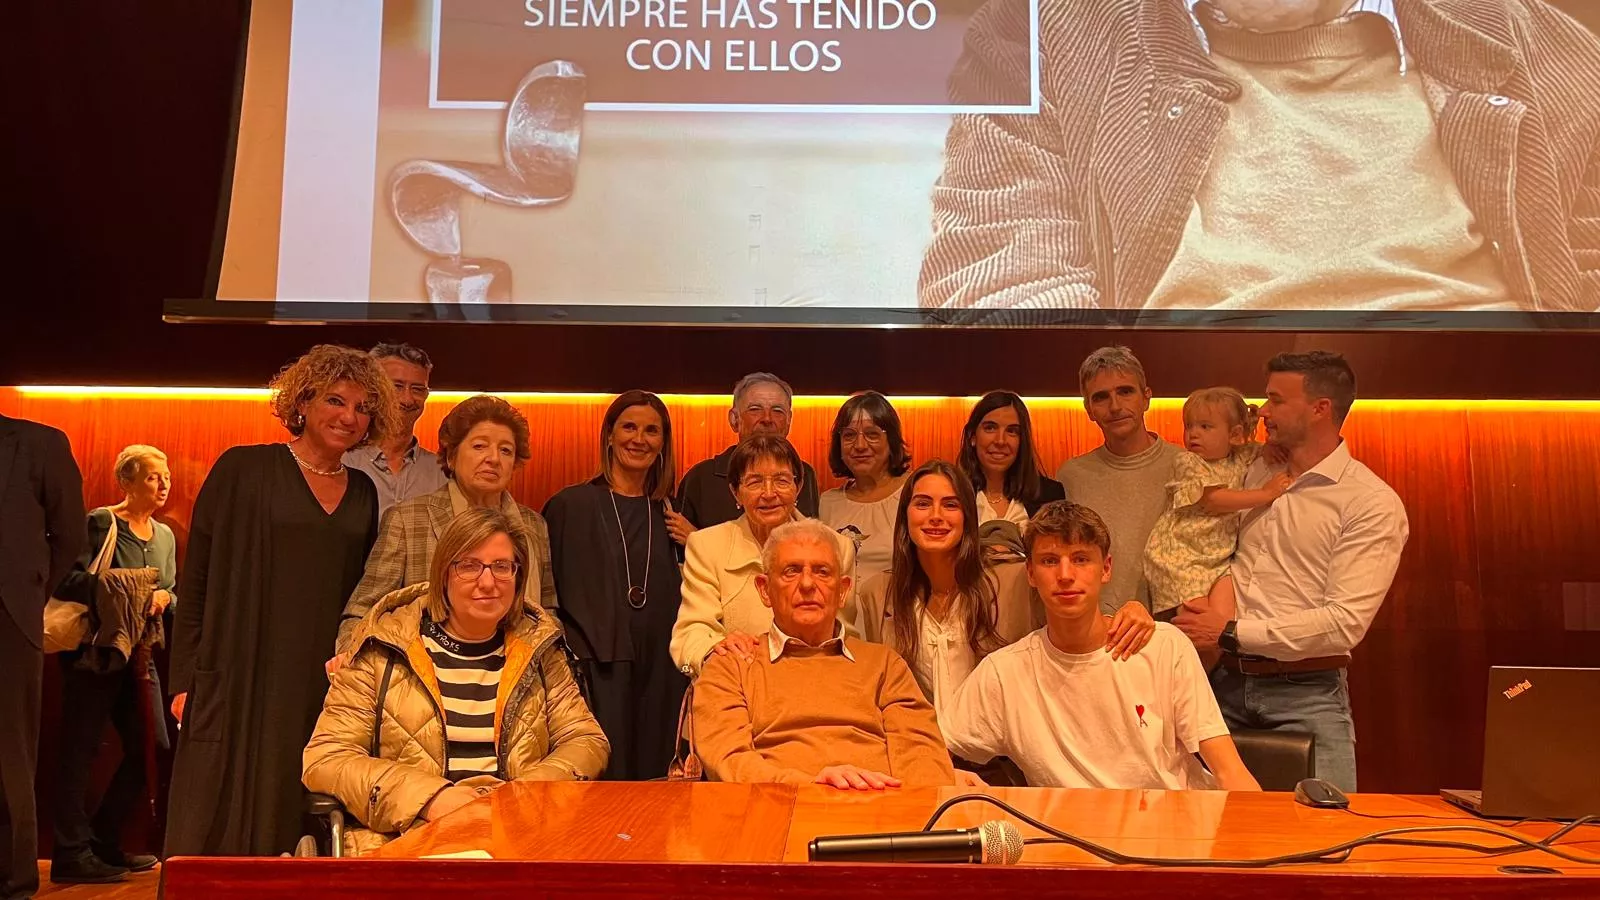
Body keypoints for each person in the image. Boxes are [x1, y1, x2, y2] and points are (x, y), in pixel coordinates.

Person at [920, 0, 1600, 312]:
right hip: (1185, 436)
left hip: (1491, 432)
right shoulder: (1037, 32)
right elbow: (1001, 287)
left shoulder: (1545, 42)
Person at [165, 344, 398, 857]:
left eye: (363, 408)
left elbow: (361, 591)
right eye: (336, 400)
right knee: (217, 815)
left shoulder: (363, 490)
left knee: (303, 810)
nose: (349, 417)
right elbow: (195, 578)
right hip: (237, 674)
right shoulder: (243, 468)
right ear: (304, 401)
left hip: (318, 680)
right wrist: (184, 680)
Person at [303, 508, 608, 856]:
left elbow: (586, 741)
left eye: (501, 566)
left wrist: (520, 797)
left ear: (518, 576)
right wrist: (430, 798)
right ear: (444, 573)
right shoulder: (382, 647)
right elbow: (326, 758)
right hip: (405, 841)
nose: (488, 582)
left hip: (521, 840)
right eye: (470, 566)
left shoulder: (541, 648)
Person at [1176, 351, 1408, 792]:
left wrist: (1228, 631)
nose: (1263, 411)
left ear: (1320, 408)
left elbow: (1344, 623)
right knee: (1202, 828)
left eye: (1276, 400)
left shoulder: (1369, 502)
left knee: (1324, 829)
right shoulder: (1251, 470)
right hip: (1216, 686)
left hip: (1308, 694)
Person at [943, 502, 1260, 791]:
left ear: (1106, 568)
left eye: (1080, 559)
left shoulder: (1164, 647)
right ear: (1031, 574)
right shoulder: (1004, 673)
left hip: (1176, 823)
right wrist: (948, 775)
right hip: (1069, 831)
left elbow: (1228, 770)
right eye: (1050, 561)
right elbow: (933, 746)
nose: (1065, 575)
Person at [855, 460, 1154, 724]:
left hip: (1003, 755)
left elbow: (1075, 616)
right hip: (918, 751)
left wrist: (1126, 612)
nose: (936, 515)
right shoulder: (877, 594)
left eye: (950, 505)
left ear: (968, 517)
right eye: (922, 504)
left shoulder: (1012, 579)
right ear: (905, 515)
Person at [692, 518, 957, 788]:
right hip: (777, 808)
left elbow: (923, 755)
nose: (807, 583)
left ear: (842, 591)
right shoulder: (732, 665)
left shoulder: (884, 664)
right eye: (791, 571)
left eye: (822, 572)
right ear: (765, 590)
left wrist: (907, 807)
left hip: (881, 806)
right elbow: (729, 759)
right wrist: (813, 787)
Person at [334, 395, 557, 658]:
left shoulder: (533, 525)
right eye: (479, 446)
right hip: (424, 674)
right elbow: (363, 611)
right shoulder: (408, 519)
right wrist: (351, 661)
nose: (493, 458)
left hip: (518, 671)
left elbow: (547, 612)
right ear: (451, 456)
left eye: (506, 450)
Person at [543, 391, 687, 780]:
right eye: (629, 427)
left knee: (657, 790)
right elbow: (546, 595)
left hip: (662, 675)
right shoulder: (570, 506)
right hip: (594, 674)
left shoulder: (672, 514)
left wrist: (697, 541)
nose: (639, 439)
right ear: (609, 434)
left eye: (652, 431)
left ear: (663, 443)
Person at [50, 446, 177, 883]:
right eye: (152, 477)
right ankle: (70, 853)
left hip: (140, 654)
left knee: (154, 746)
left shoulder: (165, 536)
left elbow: (172, 589)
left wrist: (163, 597)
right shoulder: (101, 523)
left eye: (166, 477)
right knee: (80, 750)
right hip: (97, 651)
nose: (163, 485)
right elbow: (66, 578)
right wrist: (125, 588)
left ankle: (103, 839)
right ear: (127, 482)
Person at [669, 436, 856, 677]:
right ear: (735, 492)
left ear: (798, 487)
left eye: (781, 480)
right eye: (755, 482)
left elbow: (845, 633)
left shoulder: (837, 547)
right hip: (737, 680)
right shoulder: (707, 545)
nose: (768, 493)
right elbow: (690, 634)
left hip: (816, 679)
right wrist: (715, 650)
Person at [0, 413, 84, 900]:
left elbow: (70, 534)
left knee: (8, 751)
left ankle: (13, 880)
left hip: (8, 614)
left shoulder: (40, 442)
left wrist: (29, 594)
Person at [1144, 388, 1289, 627]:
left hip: (1220, 560)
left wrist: (1271, 448)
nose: (1193, 434)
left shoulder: (1239, 456)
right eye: (1189, 426)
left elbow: (1260, 449)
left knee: (1223, 623)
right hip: (1183, 558)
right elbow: (1214, 500)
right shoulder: (1188, 461)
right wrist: (1265, 494)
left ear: (1234, 434)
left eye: (1205, 427)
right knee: (1198, 621)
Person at [1054, 347, 1180, 611]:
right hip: (1096, 626)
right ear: (1089, 409)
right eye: (1101, 397)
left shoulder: (1186, 466)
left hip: (1171, 625)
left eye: (1125, 391)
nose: (1115, 406)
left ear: (1146, 398)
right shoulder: (1071, 476)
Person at [671, 373, 820, 539]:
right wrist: (697, 541)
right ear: (734, 419)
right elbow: (681, 544)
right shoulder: (700, 477)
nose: (767, 419)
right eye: (755, 409)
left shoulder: (804, 473)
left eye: (777, 411)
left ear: (789, 421)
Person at [343, 342, 448, 518]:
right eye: (396, 386)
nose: (407, 399)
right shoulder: (342, 462)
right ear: (371, 389)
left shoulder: (443, 471)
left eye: (417, 389)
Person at [817, 391, 910, 586]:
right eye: (849, 435)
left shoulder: (914, 494)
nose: (860, 445)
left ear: (891, 441)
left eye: (872, 434)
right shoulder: (827, 503)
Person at [957, 391, 1065, 527]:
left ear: (1022, 440)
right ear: (972, 436)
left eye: (1012, 431)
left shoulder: (1050, 495)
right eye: (990, 428)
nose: (1000, 441)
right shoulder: (953, 491)